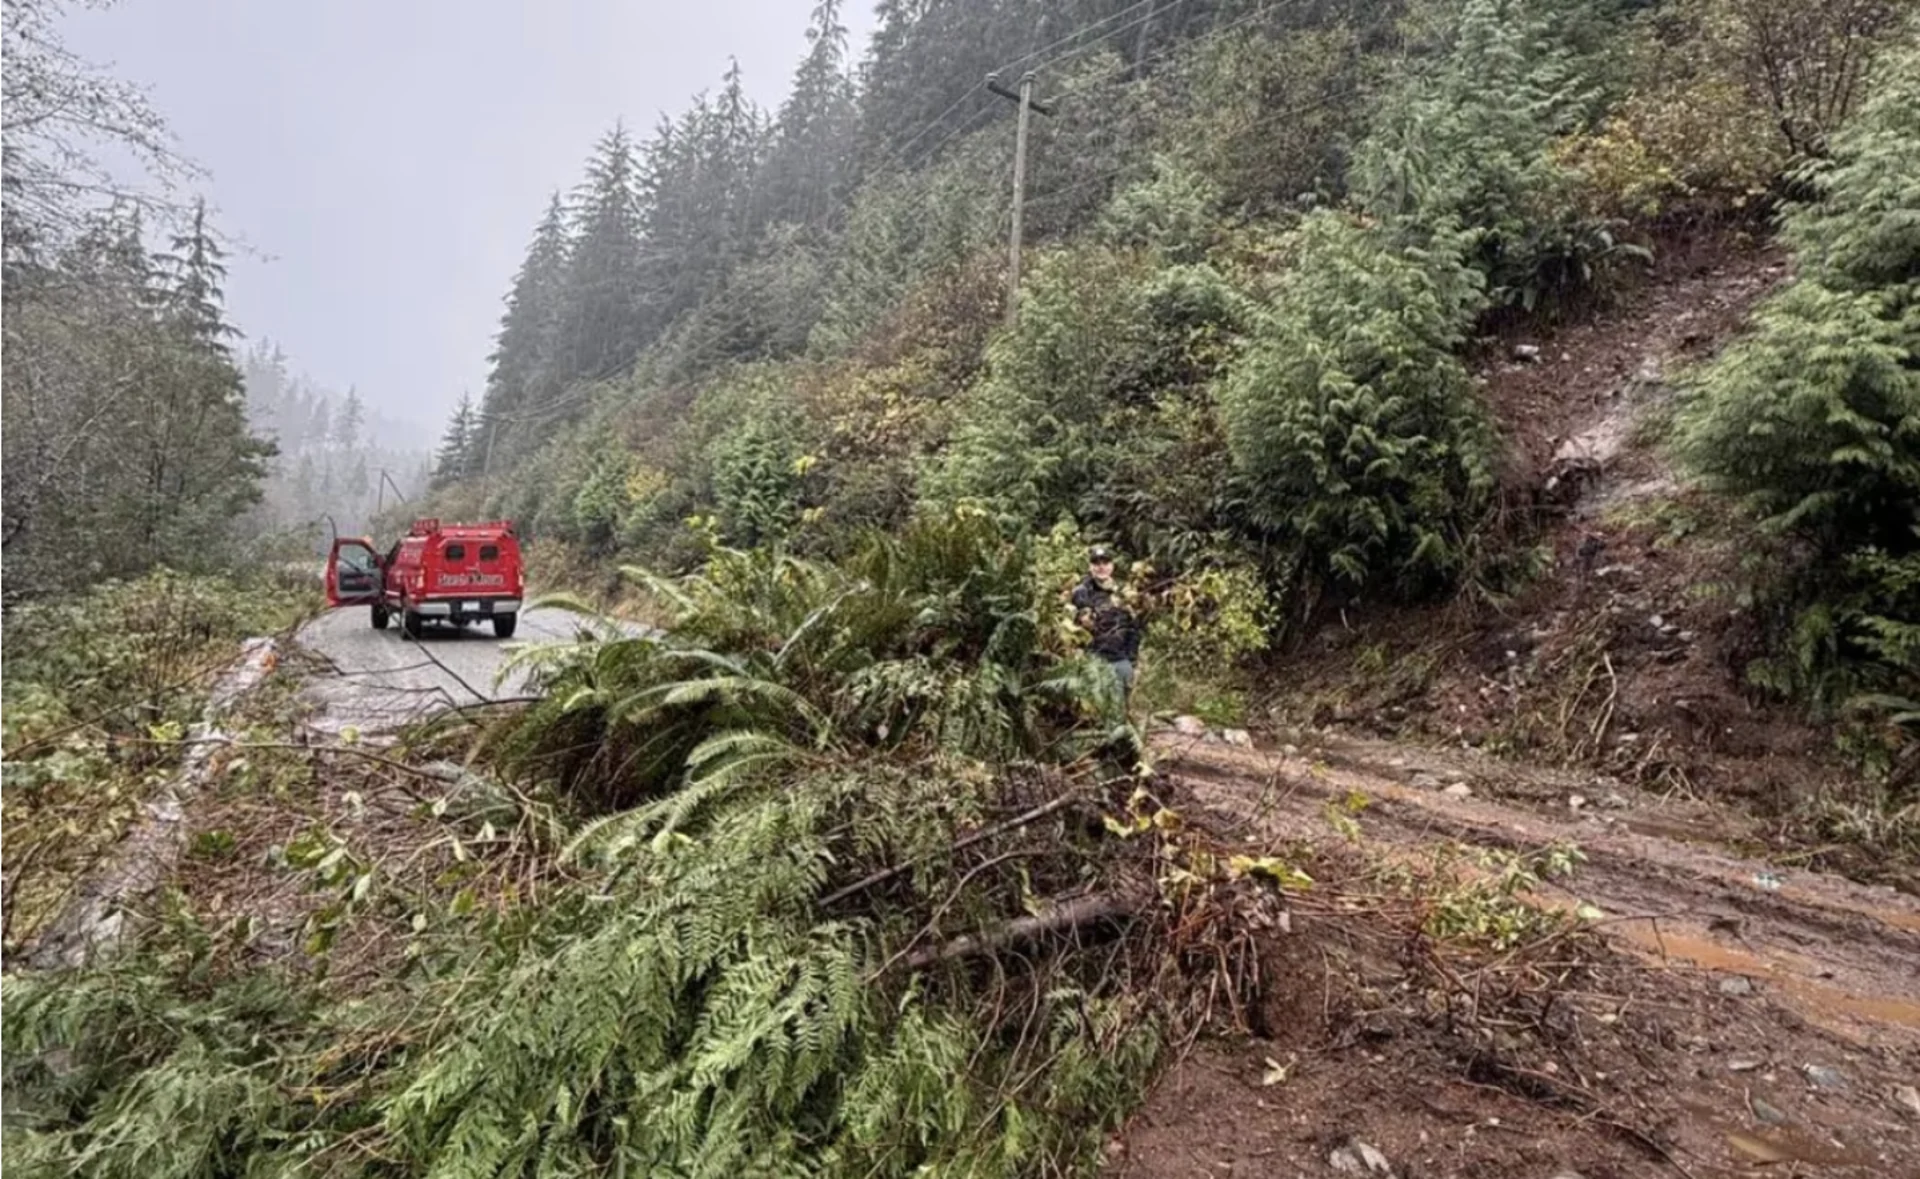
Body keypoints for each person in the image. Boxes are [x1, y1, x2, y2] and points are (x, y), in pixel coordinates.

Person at [1069, 545, 1141, 698]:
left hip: (1120, 659)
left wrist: (1133, 662)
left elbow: (1133, 628)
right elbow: (1074, 627)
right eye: (1096, 563)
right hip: (1093, 661)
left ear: (1112, 566)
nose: (1101, 567)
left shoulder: (1123, 593)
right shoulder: (1081, 592)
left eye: (1105, 563)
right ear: (1090, 567)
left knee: (1120, 710)